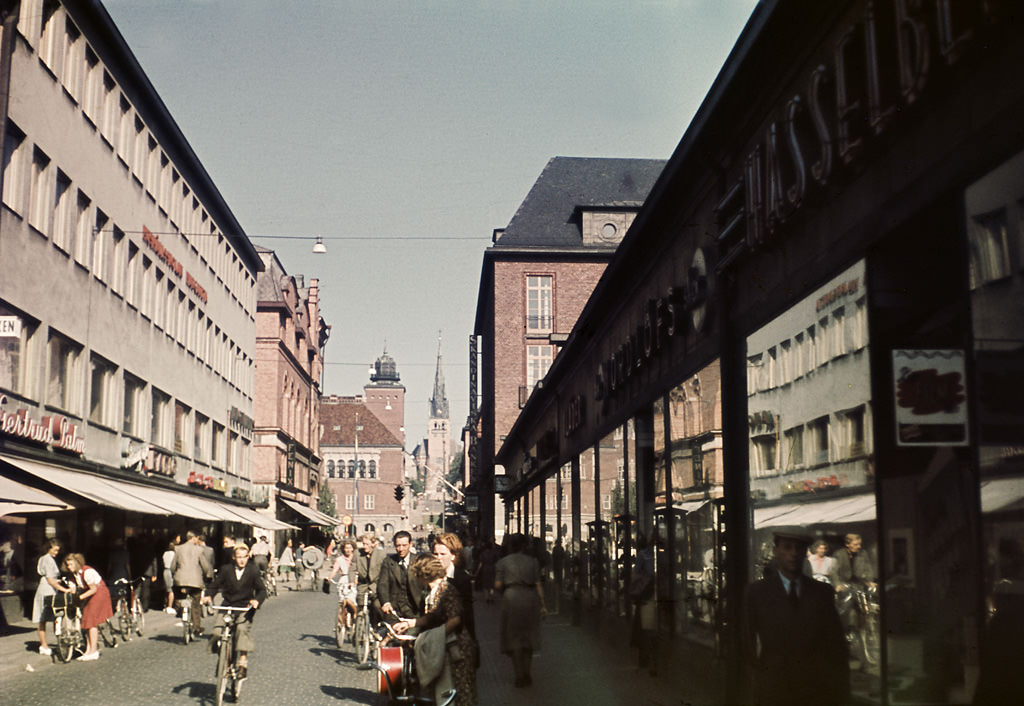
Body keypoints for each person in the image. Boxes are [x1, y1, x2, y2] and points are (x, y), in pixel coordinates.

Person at [742, 527, 848, 706]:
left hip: (814, 690)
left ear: (805, 553)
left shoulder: (822, 592)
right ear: (776, 552)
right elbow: (747, 643)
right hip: (774, 688)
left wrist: (840, 693)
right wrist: (759, 682)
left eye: (799, 548)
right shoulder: (757, 592)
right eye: (787, 547)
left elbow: (836, 645)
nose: (793, 553)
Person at [393, 555, 478, 706]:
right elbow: (433, 616)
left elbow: (455, 619)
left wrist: (433, 637)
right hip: (445, 647)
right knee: (444, 691)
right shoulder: (433, 591)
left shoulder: (446, 589)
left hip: (456, 647)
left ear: (423, 575)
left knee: (458, 691)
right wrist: (412, 623)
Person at [202, 544, 266, 680]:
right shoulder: (226, 569)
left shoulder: (253, 570)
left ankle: (242, 663)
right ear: (234, 557)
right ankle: (224, 660)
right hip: (228, 606)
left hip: (244, 607)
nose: (242, 560)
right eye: (239, 557)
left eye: (244, 557)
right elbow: (215, 585)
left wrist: (256, 601)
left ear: (248, 557)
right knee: (216, 632)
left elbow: (262, 590)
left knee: (241, 630)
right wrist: (208, 595)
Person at [494, 533, 546, 687]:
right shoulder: (533, 562)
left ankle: (519, 675)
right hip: (530, 598)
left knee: (514, 638)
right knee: (528, 637)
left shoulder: (502, 563)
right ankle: (527, 672)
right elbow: (538, 584)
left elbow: (497, 585)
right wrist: (543, 604)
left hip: (510, 598)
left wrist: (505, 592)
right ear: (525, 545)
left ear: (510, 545)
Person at [65, 553, 114, 661]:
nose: (69, 567)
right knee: (86, 622)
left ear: (78, 563)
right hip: (89, 594)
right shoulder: (74, 575)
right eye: (68, 565)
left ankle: (93, 651)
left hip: (99, 593)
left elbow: (93, 589)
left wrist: (80, 597)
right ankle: (88, 650)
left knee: (91, 622)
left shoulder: (87, 572)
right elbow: (73, 588)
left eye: (71, 564)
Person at [33, 538, 72, 655]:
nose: (56, 553)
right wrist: (65, 589)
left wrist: (58, 581)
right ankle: (44, 645)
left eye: (57, 551)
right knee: (43, 617)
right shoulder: (48, 560)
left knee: (45, 618)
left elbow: (51, 578)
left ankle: (47, 644)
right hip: (47, 590)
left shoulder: (45, 559)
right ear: (48, 548)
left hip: (49, 588)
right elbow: (50, 580)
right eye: (55, 550)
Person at [434, 533, 476, 640]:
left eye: (442, 554)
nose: (438, 558)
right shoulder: (431, 576)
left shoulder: (462, 579)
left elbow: (466, 615)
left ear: (453, 556)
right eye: (435, 554)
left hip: (456, 637)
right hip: (436, 633)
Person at [171, 531, 213, 637]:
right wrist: (206, 574)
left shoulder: (178, 548)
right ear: (194, 538)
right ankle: (196, 627)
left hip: (180, 580)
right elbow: (205, 566)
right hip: (195, 581)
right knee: (195, 604)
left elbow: (172, 565)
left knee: (180, 596)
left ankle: (180, 610)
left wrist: (174, 573)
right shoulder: (199, 550)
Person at [379, 530, 423, 622]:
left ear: (410, 545)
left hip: (415, 609)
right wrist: (386, 602)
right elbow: (383, 583)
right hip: (395, 609)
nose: (401, 549)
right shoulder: (388, 561)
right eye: (398, 545)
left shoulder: (419, 561)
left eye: (404, 545)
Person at [327, 539, 358, 627]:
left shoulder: (356, 558)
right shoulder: (339, 559)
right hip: (343, 581)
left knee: (350, 600)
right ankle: (340, 623)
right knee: (342, 602)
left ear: (353, 549)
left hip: (354, 580)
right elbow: (335, 570)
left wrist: (357, 578)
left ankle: (355, 612)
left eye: (350, 548)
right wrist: (329, 578)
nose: (348, 550)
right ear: (343, 549)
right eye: (346, 548)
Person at [162, 539, 177, 614]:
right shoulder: (174, 554)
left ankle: (165, 604)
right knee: (171, 590)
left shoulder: (165, 553)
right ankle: (170, 606)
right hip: (171, 571)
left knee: (167, 589)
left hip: (165, 570)